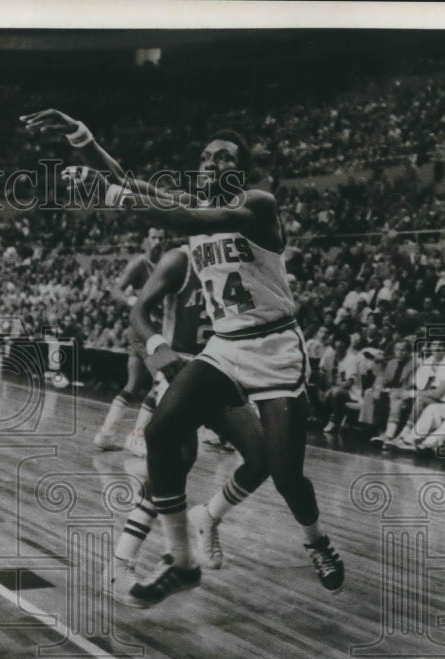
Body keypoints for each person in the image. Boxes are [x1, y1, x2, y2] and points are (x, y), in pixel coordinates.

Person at [22, 109, 344, 599]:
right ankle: (184, 560)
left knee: (284, 474)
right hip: (225, 345)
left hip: (275, 347)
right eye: (206, 156)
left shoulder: (256, 204)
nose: (212, 163)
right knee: (160, 431)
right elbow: (130, 180)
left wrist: (105, 192)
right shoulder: (193, 204)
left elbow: (181, 215)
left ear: (241, 170)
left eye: (225, 158)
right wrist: (80, 136)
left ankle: (315, 539)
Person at [110, 246, 268, 605]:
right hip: (180, 366)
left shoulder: (247, 262)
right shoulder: (181, 259)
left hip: (224, 371)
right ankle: (123, 561)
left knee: (263, 456)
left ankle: (209, 517)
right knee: (175, 465)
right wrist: (158, 349)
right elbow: (139, 312)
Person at [93, 226, 165, 450]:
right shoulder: (139, 264)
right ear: (146, 240)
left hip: (154, 329)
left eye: (161, 238)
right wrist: (133, 302)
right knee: (162, 382)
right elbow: (116, 290)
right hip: (143, 329)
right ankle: (138, 436)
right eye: (153, 237)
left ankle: (106, 434)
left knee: (133, 385)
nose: (157, 241)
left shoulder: (167, 263)